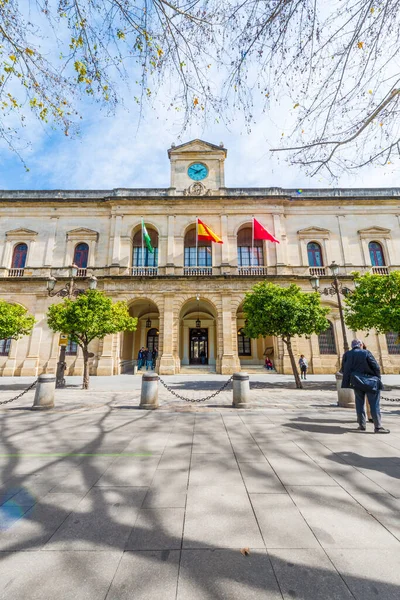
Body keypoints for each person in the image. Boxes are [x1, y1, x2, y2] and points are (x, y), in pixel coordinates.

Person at [341, 339, 389, 433]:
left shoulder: (347, 354)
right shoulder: (366, 352)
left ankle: (362, 425)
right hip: (370, 382)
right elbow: (376, 367)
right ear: (361, 345)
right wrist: (377, 378)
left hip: (356, 382)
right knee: (374, 404)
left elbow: (343, 369)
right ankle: (378, 427)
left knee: (359, 404)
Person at [362, 342, 374, 423]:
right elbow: (375, 366)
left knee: (360, 400)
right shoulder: (367, 353)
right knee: (370, 399)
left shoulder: (353, 355)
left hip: (359, 380)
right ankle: (370, 416)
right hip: (369, 379)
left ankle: (362, 419)